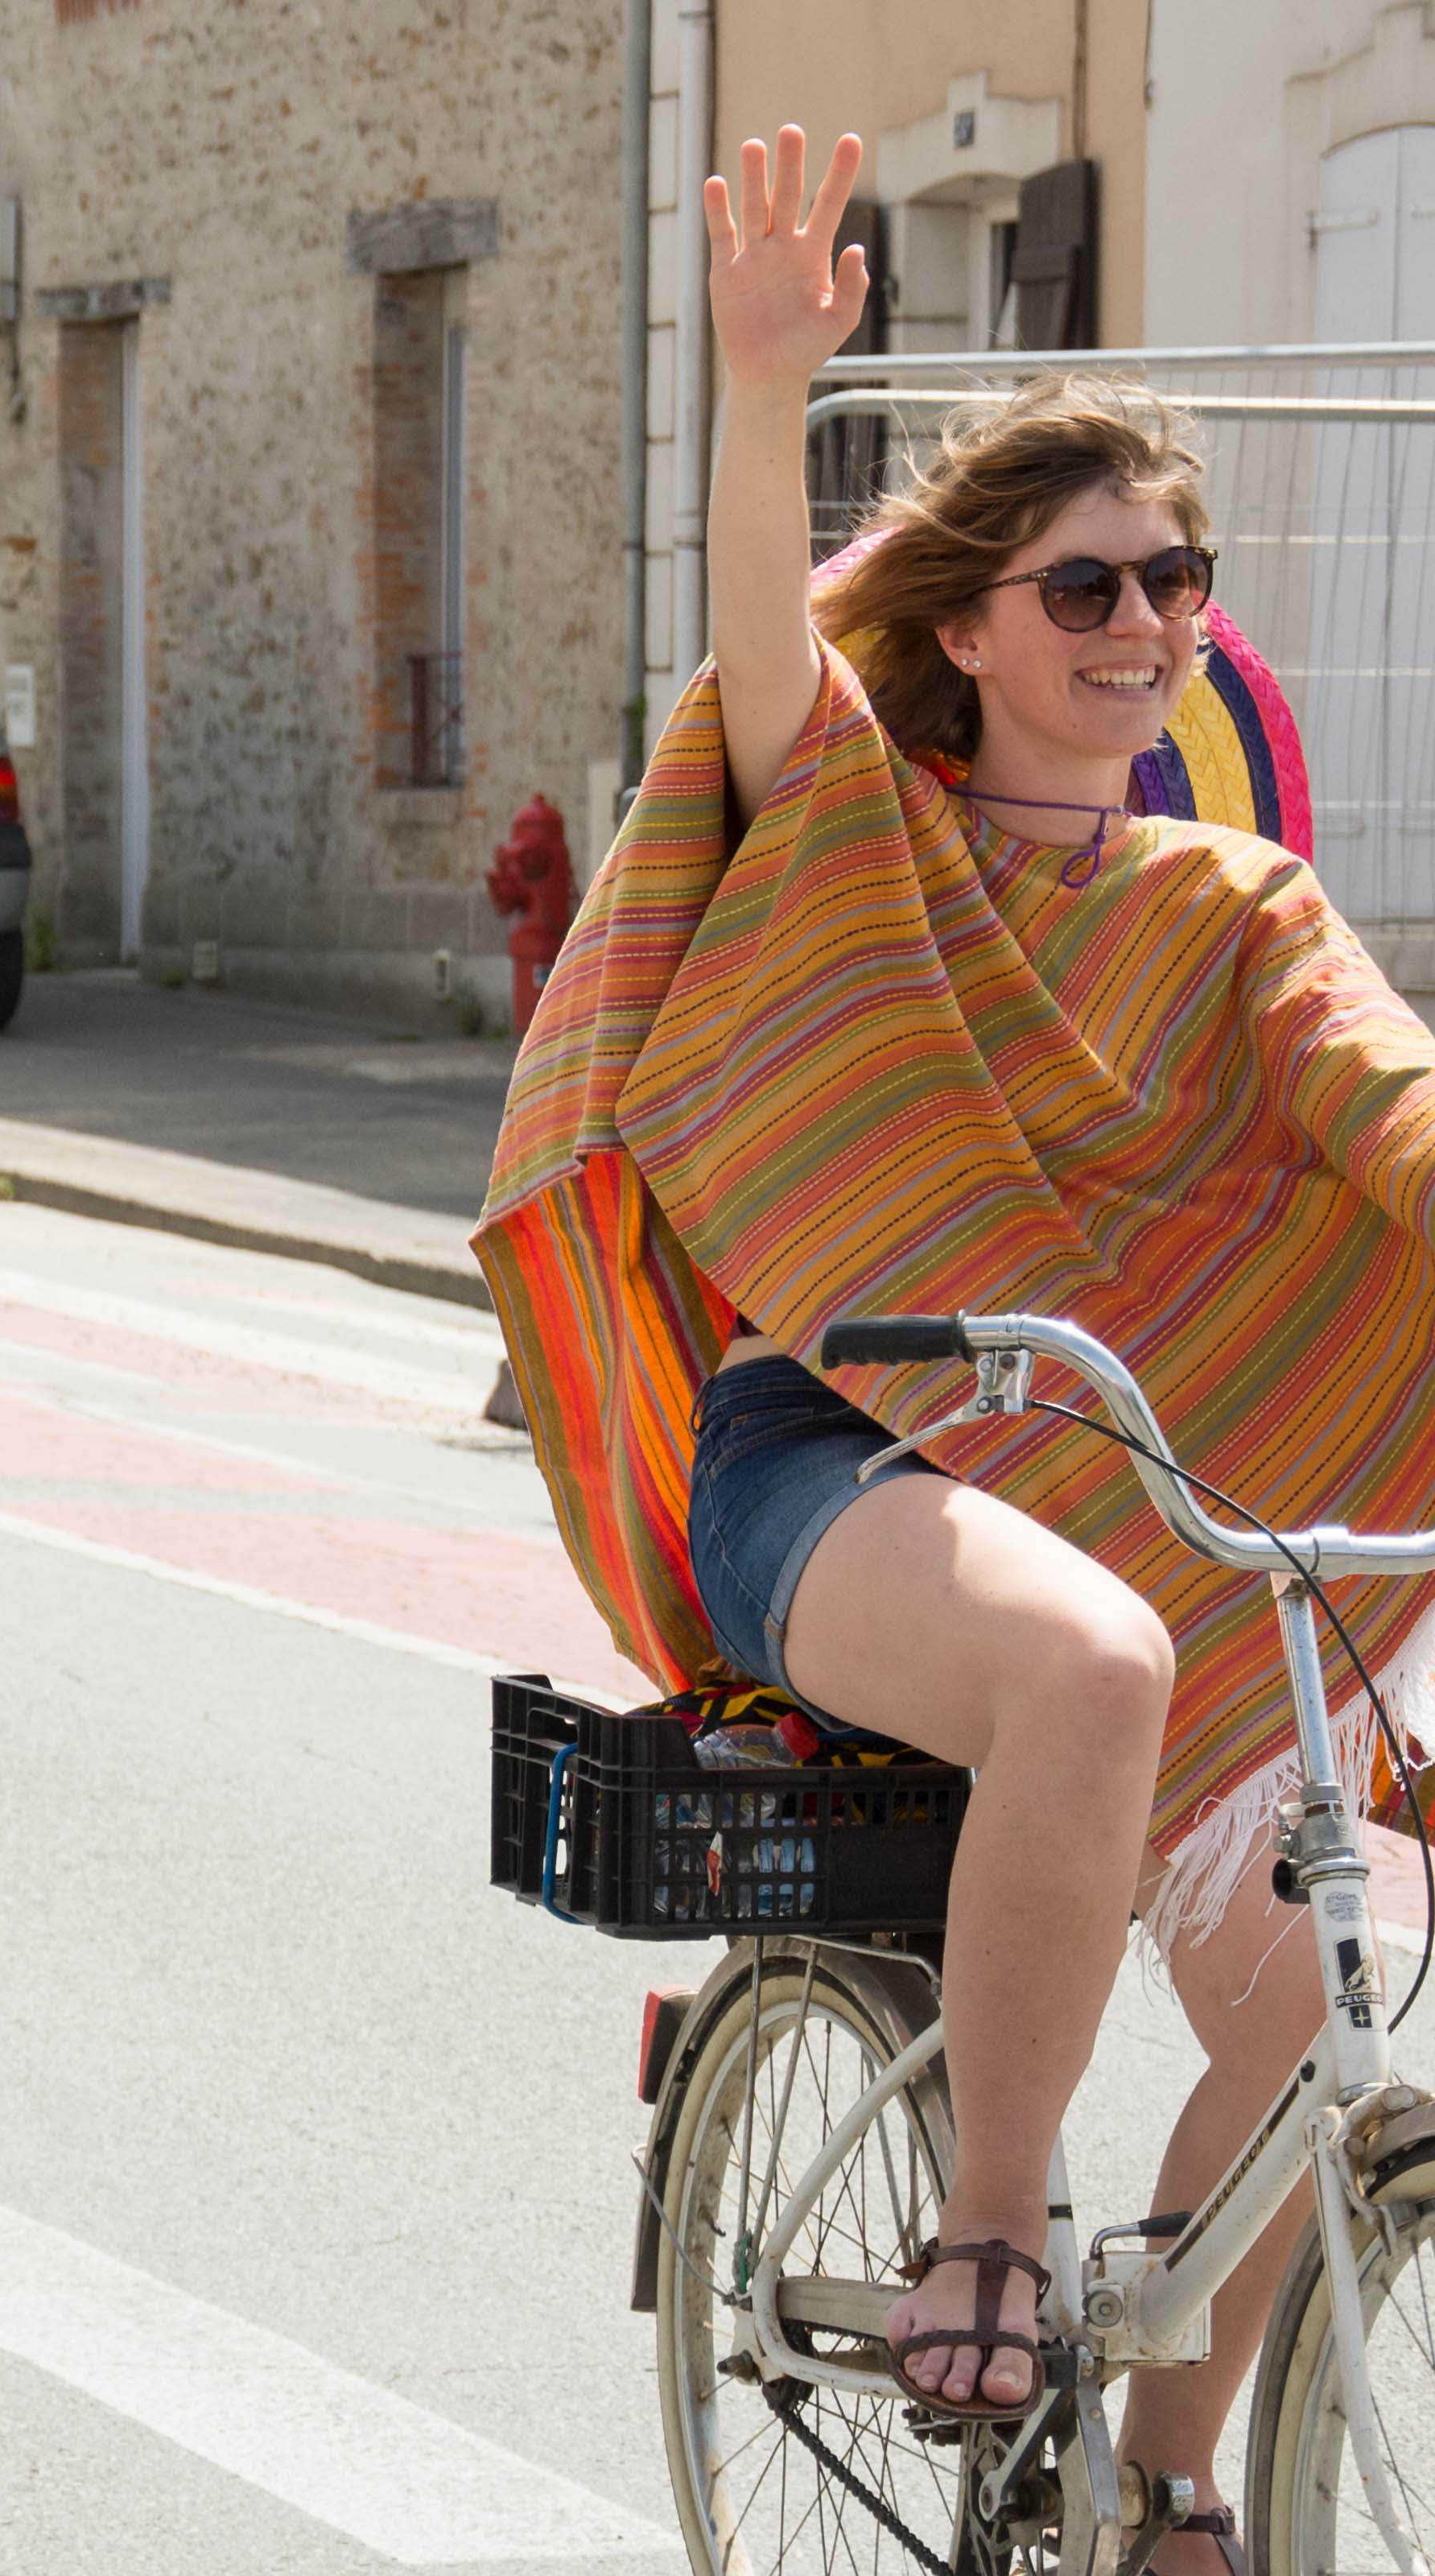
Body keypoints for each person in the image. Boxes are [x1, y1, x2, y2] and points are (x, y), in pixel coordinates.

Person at [486, 129, 1435, 2572]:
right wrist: (762, 386)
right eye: (1089, 581)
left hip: (1134, 1450)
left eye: (1176, 581)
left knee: (1322, 1997)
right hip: (839, 1448)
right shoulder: (856, 823)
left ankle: (1170, 2473)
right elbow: (753, 655)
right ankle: (989, 2226)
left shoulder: (1239, 903)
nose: (1145, 619)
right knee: (1097, 1664)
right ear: (974, 630)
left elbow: (1391, 1110)